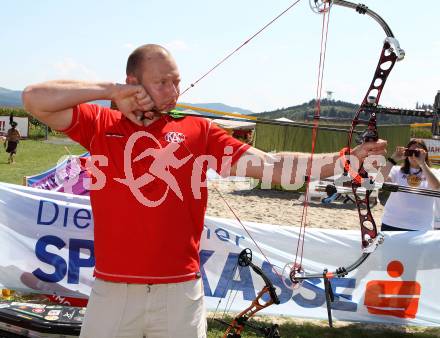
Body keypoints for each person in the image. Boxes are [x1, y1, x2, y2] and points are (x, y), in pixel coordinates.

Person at [22, 44, 386, 338]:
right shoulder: (101, 124)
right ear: (133, 81)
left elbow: (271, 165)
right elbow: (33, 98)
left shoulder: (199, 130)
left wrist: (343, 161)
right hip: (113, 291)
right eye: (162, 82)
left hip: (179, 293)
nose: (174, 91)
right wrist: (110, 93)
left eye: (176, 81)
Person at [380, 139, 440, 231]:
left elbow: (436, 186)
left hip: (421, 226)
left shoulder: (433, 172)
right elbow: (379, 180)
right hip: (392, 222)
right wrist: (393, 159)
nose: (413, 155)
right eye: (410, 151)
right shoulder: (397, 170)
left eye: (417, 152)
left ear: (425, 154)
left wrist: (422, 163)